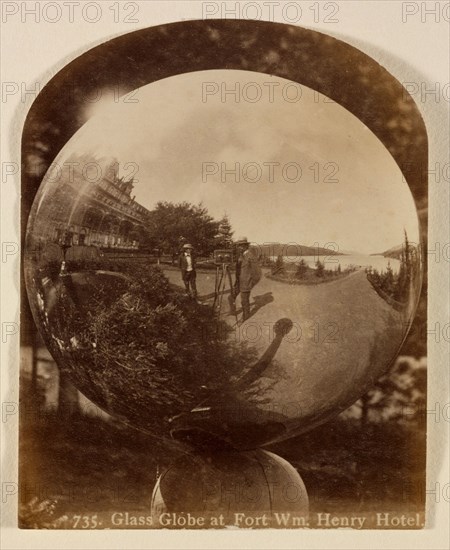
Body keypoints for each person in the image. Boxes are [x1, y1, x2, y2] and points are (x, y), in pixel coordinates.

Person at [233, 237, 261, 321]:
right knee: (231, 296)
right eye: (238, 246)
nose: (239, 247)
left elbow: (257, 274)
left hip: (246, 283)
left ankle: (245, 316)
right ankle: (233, 311)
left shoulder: (251, 256)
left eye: (240, 246)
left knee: (244, 301)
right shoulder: (241, 256)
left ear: (245, 246)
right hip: (238, 282)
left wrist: (250, 284)